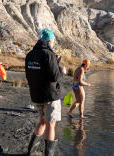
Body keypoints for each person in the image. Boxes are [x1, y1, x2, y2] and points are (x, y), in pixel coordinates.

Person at [25, 28, 66, 156]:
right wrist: (62, 71)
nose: (53, 44)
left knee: (42, 121)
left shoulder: (30, 54)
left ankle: (30, 152)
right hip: (50, 95)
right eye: (53, 41)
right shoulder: (49, 54)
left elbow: (29, 75)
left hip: (36, 95)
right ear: (49, 41)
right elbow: (55, 77)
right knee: (50, 124)